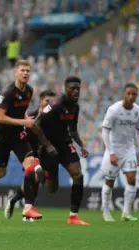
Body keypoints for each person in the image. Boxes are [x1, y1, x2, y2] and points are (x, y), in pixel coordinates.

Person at [0, 59, 44, 220]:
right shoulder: (8, 92)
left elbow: (19, 112)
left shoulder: (29, 91)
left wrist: (25, 118)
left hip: (18, 136)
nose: (25, 73)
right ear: (16, 73)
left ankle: (28, 207)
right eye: (22, 70)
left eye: (28, 71)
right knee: (0, 172)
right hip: (1, 137)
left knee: (31, 164)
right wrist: (25, 122)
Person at [34, 76, 90, 225]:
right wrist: (47, 145)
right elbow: (36, 123)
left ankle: (73, 217)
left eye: (78, 88)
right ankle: (40, 174)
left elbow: (72, 129)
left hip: (65, 144)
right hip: (48, 146)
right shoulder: (55, 104)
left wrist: (81, 145)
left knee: (78, 175)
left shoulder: (75, 107)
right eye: (73, 88)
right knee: (52, 189)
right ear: (66, 89)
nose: (76, 91)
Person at [4, 89, 57, 220]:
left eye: (52, 102)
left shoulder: (53, 119)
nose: (49, 104)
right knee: (34, 177)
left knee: (35, 182)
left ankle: (13, 200)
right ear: (40, 102)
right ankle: (28, 211)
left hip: (43, 152)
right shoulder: (31, 116)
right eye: (47, 101)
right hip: (29, 152)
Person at [100, 83, 139, 222]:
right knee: (110, 181)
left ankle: (126, 213)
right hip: (113, 148)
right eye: (129, 94)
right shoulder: (113, 109)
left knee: (132, 179)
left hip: (129, 149)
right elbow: (105, 131)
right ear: (123, 94)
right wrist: (111, 152)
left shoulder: (138, 111)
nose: (131, 96)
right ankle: (106, 211)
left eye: (134, 94)